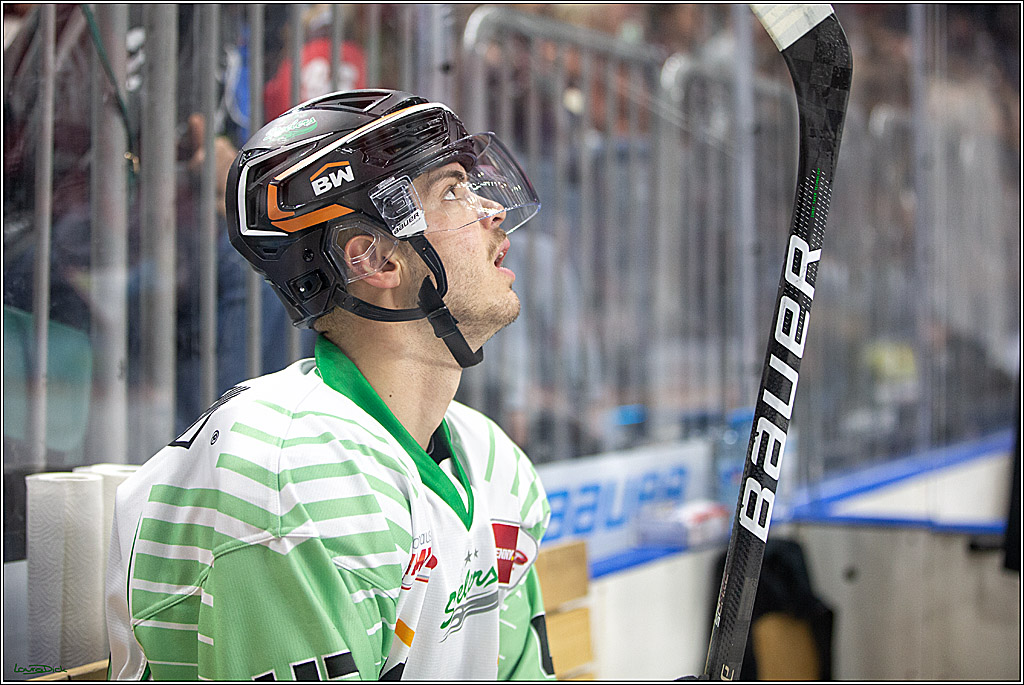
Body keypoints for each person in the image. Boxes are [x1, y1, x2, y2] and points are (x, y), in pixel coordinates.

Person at [105, 89, 554, 681]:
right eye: (451, 192)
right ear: (375, 260)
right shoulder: (286, 475)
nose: (492, 210)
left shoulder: (493, 460)